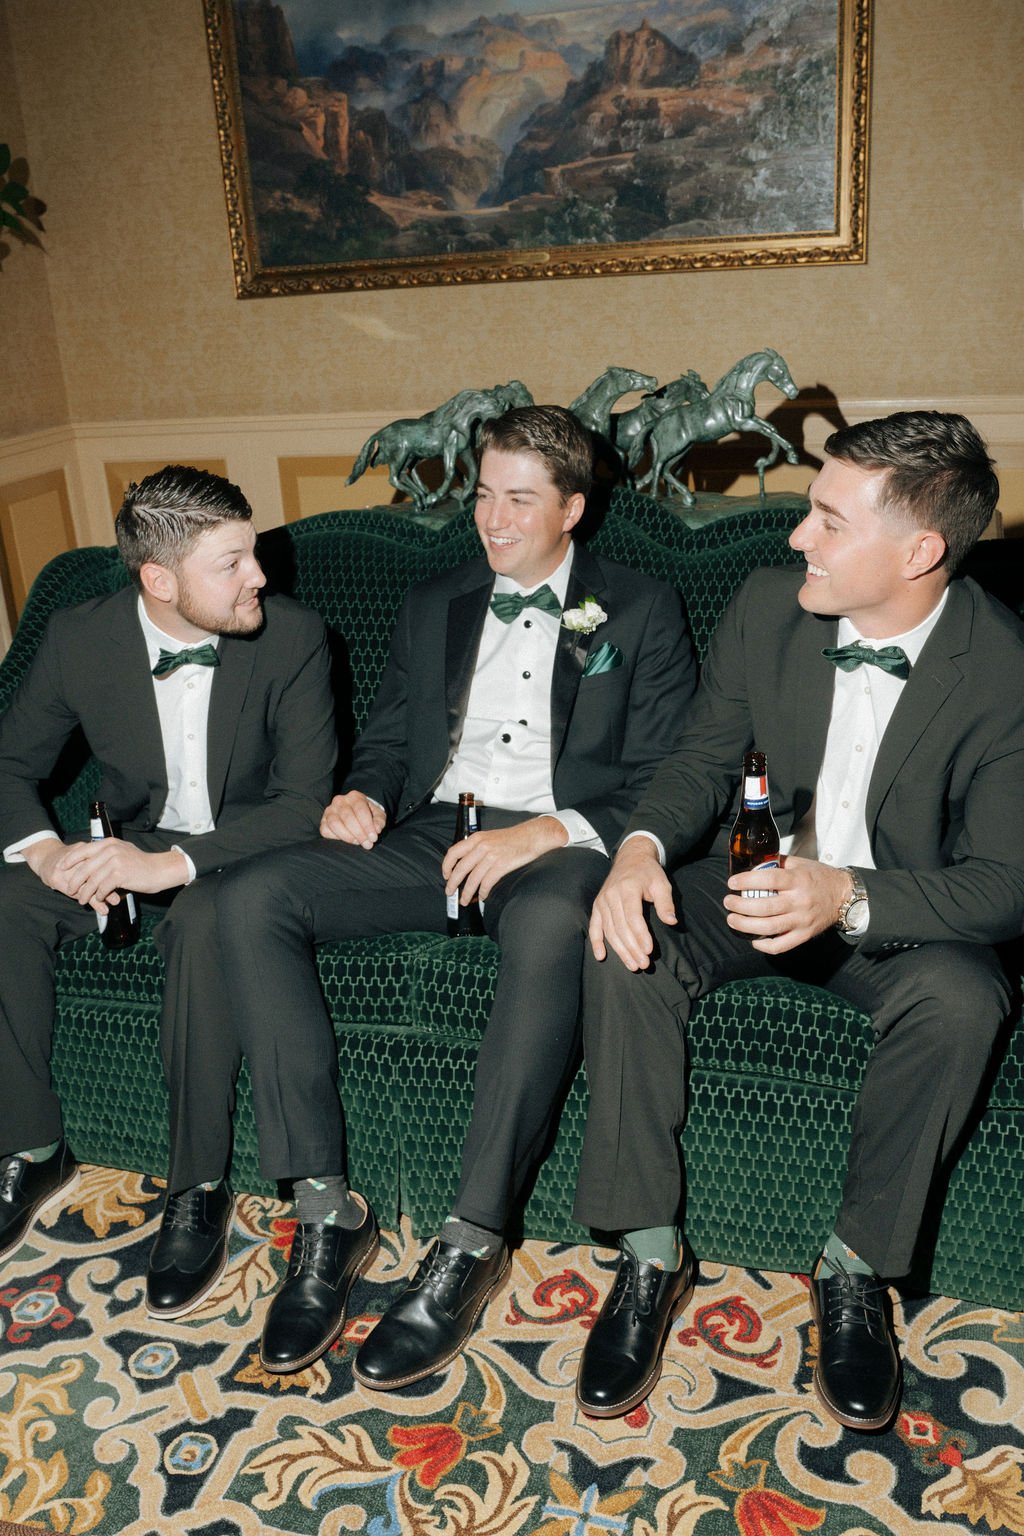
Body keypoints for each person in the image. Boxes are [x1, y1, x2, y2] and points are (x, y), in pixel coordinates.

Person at [211, 404, 697, 1380]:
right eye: (483, 495)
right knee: (250, 897)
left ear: (572, 508)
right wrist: (363, 793)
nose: (492, 519)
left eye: (519, 499)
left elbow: (665, 773)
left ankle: (470, 1238)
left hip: (559, 841)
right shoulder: (435, 599)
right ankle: (325, 1209)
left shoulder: (640, 607)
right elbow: (393, 740)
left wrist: (545, 833)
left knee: (555, 922)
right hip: (437, 830)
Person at [574, 411, 1024, 1430]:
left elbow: (1007, 882)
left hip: (900, 919)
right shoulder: (767, 606)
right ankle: (647, 1251)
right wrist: (637, 849)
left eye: (828, 520)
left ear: (918, 553)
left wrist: (850, 894)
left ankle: (854, 1270)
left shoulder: (1005, 670)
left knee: (965, 999)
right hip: (752, 879)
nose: (795, 537)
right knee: (623, 931)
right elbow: (701, 758)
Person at [0, 466, 336, 1318]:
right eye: (232, 563)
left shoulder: (293, 636)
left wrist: (171, 867)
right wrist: (48, 853)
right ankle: (31, 1146)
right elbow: (8, 764)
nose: (258, 575)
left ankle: (196, 1188)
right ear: (158, 579)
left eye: (252, 552)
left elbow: (303, 805)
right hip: (133, 841)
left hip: (245, 856)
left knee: (202, 924)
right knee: (5, 898)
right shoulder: (80, 636)